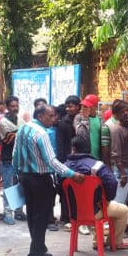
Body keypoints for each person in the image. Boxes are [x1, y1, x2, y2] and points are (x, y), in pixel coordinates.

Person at [13, 105, 84, 256]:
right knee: (41, 215)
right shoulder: (41, 133)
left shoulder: (23, 129)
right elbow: (51, 161)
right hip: (40, 178)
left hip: (26, 176)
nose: (54, 119)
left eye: (54, 116)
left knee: (32, 213)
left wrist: (17, 172)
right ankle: (36, 251)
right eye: (50, 116)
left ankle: (38, 246)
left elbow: (16, 153)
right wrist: (71, 174)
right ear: (40, 116)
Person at [65, 137, 128, 250]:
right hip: (95, 211)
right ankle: (115, 242)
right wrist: (107, 199)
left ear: (73, 149)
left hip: (73, 211)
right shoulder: (96, 165)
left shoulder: (64, 167)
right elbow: (111, 182)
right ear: (89, 150)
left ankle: (98, 241)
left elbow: (59, 186)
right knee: (123, 210)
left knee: (98, 206)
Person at [0, 96, 26, 225]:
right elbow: (9, 139)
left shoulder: (20, 119)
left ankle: (19, 211)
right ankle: (8, 213)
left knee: (20, 185)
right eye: (12, 106)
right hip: (8, 158)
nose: (15, 108)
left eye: (16, 105)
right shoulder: (3, 122)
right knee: (8, 186)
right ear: (7, 107)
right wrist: (20, 133)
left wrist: (18, 134)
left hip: (20, 159)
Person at [56, 95, 80, 229]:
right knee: (66, 191)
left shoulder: (82, 120)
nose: (68, 109)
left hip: (79, 159)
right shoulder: (63, 123)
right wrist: (63, 163)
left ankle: (77, 216)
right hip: (67, 160)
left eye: (70, 106)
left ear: (78, 107)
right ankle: (66, 217)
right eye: (67, 106)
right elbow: (61, 145)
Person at [109, 99, 128, 205]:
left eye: (126, 110)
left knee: (124, 199)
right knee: (119, 202)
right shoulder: (117, 130)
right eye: (122, 112)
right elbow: (115, 154)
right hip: (122, 169)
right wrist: (122, 173)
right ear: (116, 115)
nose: (125, 113)